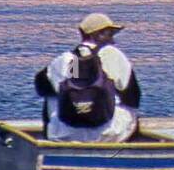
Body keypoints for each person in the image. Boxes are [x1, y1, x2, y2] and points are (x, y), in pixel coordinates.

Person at [36, 13, 141, 143]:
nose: (113, 41)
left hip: (65, 135)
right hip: (110, 134)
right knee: (128, 103)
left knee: (51, 94)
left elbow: (40, 87)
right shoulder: (113, 55)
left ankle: (53, 139)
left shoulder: (65, 60)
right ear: (97, 34)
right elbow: (134, 98)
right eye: (110, 34)